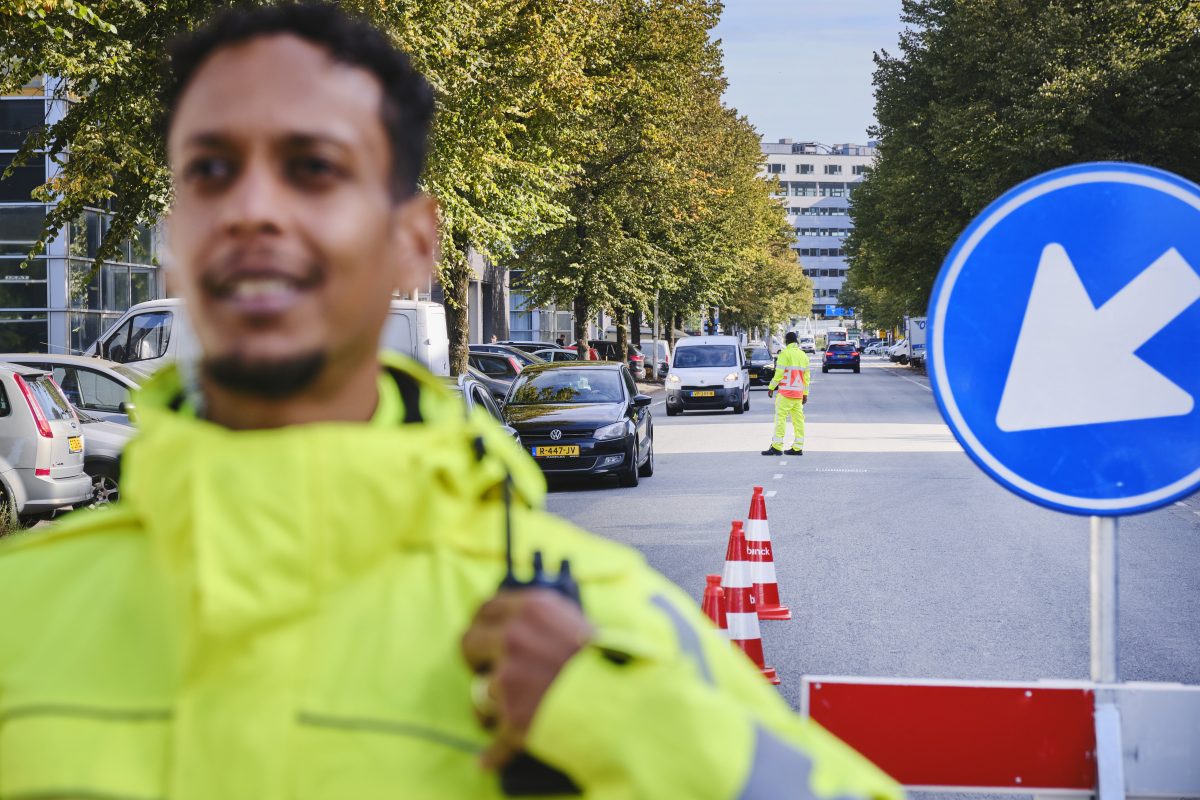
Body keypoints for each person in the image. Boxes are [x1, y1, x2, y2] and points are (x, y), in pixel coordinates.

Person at [0, 6, 900, 799]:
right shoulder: (21, 612)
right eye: (210, 170)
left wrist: (614, 715)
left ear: (413, 243)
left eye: (313, 167)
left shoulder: (601, 627)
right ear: (174, 242)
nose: (254, 210)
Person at [763, 330, 810, 456]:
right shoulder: (803, 356)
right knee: (799, 421)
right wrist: (805, 393)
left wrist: (771, 387)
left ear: (786, 341)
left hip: (785, 394)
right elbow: (806, 378)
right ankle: (798, 447)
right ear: (797, 341)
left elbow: (779, 374)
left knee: (780, 420)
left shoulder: (784, 354)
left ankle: (777, 447)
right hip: (798, 395)